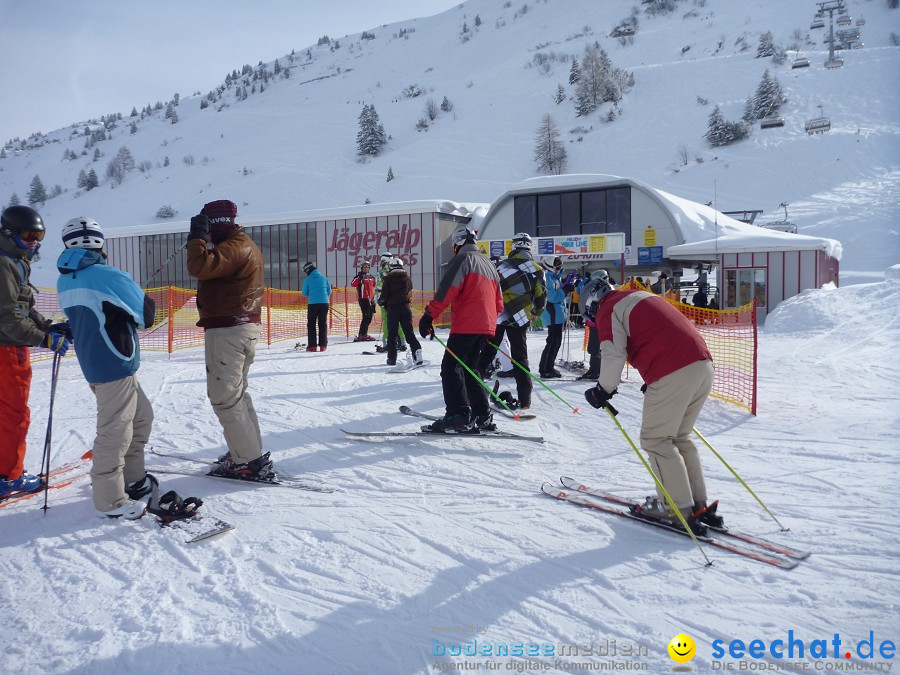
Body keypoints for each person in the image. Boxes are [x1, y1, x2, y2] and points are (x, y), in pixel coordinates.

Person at [582, 278, 722, 535]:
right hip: (702, 366)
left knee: (656, 440)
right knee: (679, 437)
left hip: (673, 370)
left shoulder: (608, 309)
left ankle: (675, 507)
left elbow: (613, 352)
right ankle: (697, 502)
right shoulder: (639, 296)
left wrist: (603, 389)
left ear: (592, 304)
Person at [56, 217, 157, 518]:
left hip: (97, 362)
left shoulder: (66, 278)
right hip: (114, 363)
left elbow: (88, 316)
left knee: (141, 418)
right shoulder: (109, 275)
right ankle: (109, 500)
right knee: (115, 431)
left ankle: (133, 478)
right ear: (100, 242)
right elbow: (146, 317)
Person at [186, 199, 274, 481]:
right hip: (236, 327)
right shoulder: (238, 245)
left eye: (208, 227)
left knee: (225, 398)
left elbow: (199, 266)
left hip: (229, 330)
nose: (208, 235)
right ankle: (248, 451)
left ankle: (247, 461)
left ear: (216, 224)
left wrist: (196, 238)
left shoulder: (236, 247)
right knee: (236, 394)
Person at [0, 206, 72, 499]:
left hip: (8, 344)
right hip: (7, 349)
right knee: (14, 414)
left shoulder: (15, 261)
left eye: (39, 235)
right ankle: (9, 477)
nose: (35, 242)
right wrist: (43, 339)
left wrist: (48, 327)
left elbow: (23, 307)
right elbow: (7, 317)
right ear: (9, 233)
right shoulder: (5, 264)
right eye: (29, 235)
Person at [418, 227, 503, 432]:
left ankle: (457, 413)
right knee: (470, 369)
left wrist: (429, 315)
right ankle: (482, 414)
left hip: (468, 323)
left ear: (457, 244)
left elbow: (447, 290)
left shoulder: (463, 259)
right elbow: (499, 303)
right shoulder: (489, 264)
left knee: (450, 367)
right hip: (486, 324)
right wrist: (489, 323)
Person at [476, 233, 546, 410]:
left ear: (513, 247)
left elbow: (488, 290)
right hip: (521, 317)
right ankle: (525, 401)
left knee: (487, 353)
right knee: (520, 358)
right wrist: (537, 312)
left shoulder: (500, 266)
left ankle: (475, 391)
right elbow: (542, 295)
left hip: (497, 315)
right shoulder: (537, 269)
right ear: (530, 248)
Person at [378, 257, 423, 368]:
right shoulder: (407, 278)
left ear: (391, 267)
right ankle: (418, 356)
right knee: (409, 333)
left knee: (392, 334)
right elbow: (410, 288)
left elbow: (384, 295)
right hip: (405, 308)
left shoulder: (388, 279)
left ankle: (392, 359)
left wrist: (380, 302)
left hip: (393, 309)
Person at [538, 256, 575, 379]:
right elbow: (552, 296)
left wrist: (566, 283)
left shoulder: (553, 276)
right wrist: (565, 290)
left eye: (560, 267)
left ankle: (547, 366)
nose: (559, 269)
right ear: (549, 267)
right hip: (551, 312)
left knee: (555, 342)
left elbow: (557, 289)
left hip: (557, 313)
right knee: (553, 342)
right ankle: (545, 369)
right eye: (557, 267)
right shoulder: (547, 277)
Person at [577, 270, 611, 380]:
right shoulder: (598, 289)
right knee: (594, 347)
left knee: (595, 347)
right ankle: (595, 369)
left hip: (598, 323)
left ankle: (596, 371)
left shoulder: (605, 290)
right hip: (594, 322)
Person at [375, 251, 406, 354]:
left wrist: (378, 300)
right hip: (398, 301)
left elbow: (379, 287)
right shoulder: (397, 271)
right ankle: (402, 342)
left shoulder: (381, 272)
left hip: (385, 302)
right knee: (399, 323)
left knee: (387, 323)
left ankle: (388, 344)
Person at [301, 261, 332, 352]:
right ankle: (323, 345)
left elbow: (304, 293)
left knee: (311, 324)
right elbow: (329, 291)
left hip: (313, 304)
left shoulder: (308, 279)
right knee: (322, 324)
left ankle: (312, 346)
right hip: (324, 303)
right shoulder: (324, 278)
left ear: (307, 270)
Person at [350, 261, 376, 341]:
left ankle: (364, 333)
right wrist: (361, 278)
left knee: (370, 317)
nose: (366, 268)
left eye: (367, 267)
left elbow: (374, 285)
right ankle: (362, 334)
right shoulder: (359, 276)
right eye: (364, 267)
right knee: (366, 316)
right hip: (363, 299)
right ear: (362, 268)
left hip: (370, 299)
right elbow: (353, 284)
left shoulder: (371, 276)